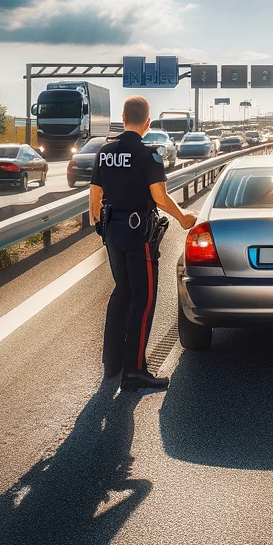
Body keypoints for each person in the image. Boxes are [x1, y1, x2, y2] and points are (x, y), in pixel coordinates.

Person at [89, 96, 197, 391]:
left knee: (121, 292)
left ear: (122, 117)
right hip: (139, 234)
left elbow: (94, 201)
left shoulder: (104, 152)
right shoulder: (148, 154)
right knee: (144, 298)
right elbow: (160, 197)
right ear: (147, 122)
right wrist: (182, 217)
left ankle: (111, 363)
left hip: (112, 231)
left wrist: (105, 228)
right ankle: (134, 370)